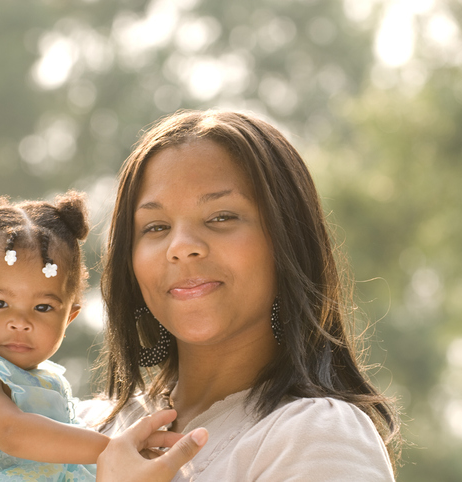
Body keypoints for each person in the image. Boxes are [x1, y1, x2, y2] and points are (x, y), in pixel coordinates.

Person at [83, 110, 402, 481]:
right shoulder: (86, 426)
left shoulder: (316, 436)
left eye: (221, 217)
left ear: (286, 242)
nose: (182, 247)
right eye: (156, 227)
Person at [0, 183, 186, 481]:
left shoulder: (47, 382)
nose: (20, 321)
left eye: (42, 308)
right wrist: (115, 448)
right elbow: (12, 432)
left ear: (69, 317)